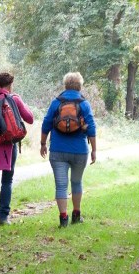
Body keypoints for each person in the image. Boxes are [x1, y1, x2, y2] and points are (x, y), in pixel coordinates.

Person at [39, 72, 97, 228]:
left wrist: (43, 143)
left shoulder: (56, 103)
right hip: (80, 150)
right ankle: (76, 215)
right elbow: (91, 127)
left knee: (61, 185)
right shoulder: (84, 104)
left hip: (58, 150)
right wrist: (94, 150)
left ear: (65, 85)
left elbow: (46, 124)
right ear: (80, 86)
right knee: (76, 182)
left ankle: (63, 219)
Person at [0, 72, 35, 227]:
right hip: (9, 145)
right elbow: (30, 119)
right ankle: (3, 218)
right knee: (7, 181)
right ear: (10, 84)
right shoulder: (15, 99)